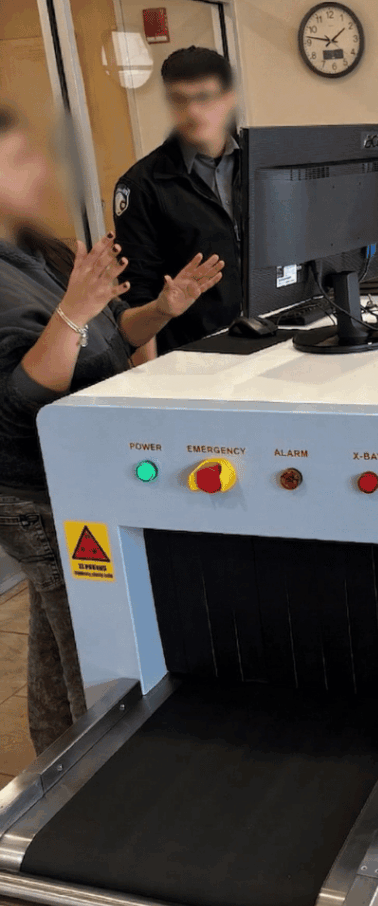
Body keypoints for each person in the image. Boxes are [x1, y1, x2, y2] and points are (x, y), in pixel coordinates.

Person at [0, 104, 224, 754]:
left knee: (55, 628)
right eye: (19, 160)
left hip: (77, 469)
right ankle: (96, 769)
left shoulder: (36, 249)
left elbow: (112, 335)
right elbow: (22, 396)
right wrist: (71, 314)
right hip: (34, 486)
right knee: (83, 636)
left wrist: (163, 309)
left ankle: (55, 760)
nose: (40, 170)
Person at [113, 47, 241, 356]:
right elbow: (137, 297)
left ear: (229, 99)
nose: (192, 112)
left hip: (275, 335)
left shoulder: (263, 163)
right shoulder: (142, 185)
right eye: (179, 100)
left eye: (204, 98)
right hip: (195, 355)